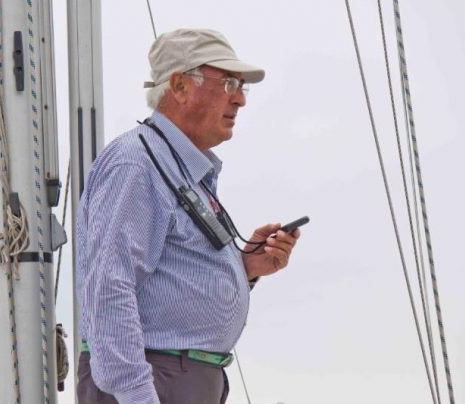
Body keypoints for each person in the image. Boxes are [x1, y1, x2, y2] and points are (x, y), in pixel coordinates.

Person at [75, 28, 301, 404]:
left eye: (241, 86)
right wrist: (136, 394)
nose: (241, 99)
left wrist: (246, 268)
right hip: (153, 380)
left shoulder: (172, 164)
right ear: (180, 86)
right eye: (229, 83)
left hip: (176, 378)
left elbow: (167, 280)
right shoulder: (136, 163)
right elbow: (109, 284)